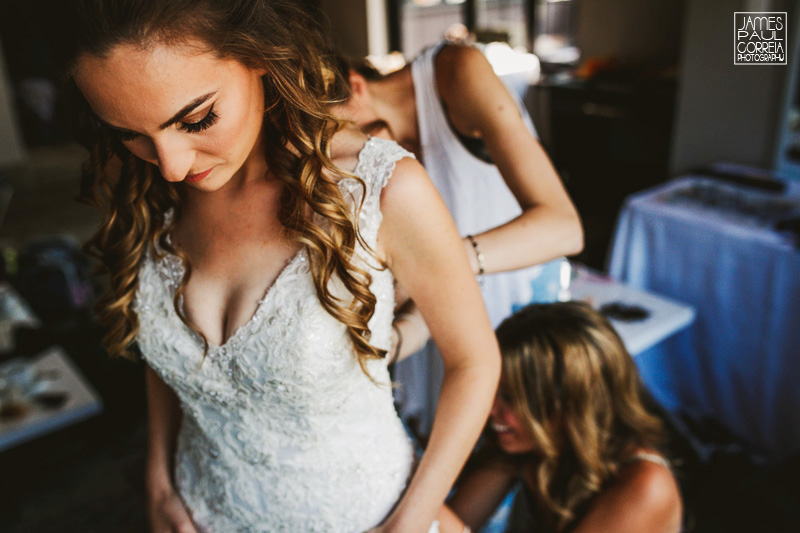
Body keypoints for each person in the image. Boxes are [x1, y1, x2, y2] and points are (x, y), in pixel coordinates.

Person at [56, 1, 500, 531]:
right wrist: (158, 484)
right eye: (127, 132)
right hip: (198, 511)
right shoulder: (147, 187)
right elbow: (171, 357)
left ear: (262, 55)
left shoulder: (380, 191)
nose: (171, 164)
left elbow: (475, 363)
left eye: (197, 119)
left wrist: (410, 521)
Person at [333, 40, 583, 433]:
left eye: (338, 130)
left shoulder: (459, 73)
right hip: (438, 316)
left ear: (354, 85)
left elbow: (565, 228)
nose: (341, 153)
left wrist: (436, 262)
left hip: (515, 304)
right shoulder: (352, 156)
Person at [448, 301, 683, 532]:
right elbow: (450, 519)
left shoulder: (646, 487)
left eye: (510, 397)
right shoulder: (529, 445)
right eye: (493, 390)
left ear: (569, 406)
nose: (490, 408)